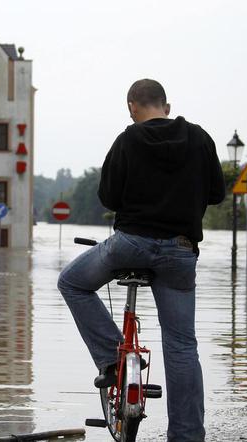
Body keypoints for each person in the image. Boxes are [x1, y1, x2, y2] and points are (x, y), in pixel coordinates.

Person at [57, 79, 225, 442]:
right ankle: (187, 435)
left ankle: (112, 357)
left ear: (132, 106)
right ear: (166, 106)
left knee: (71, 282)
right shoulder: (199, 139)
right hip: (181, 251)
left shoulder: (127, 140)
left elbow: (108, 196)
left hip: (130, 245)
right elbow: (216, 193)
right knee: (182, 344)